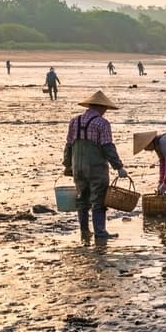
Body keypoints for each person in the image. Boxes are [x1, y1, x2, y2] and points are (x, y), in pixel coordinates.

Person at [62, 90, 129, 240]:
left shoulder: (75, 121)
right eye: (105, 108)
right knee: (98, 199)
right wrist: (119, 167)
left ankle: (84, 231)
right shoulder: (102, 123)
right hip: (96, 168)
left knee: (82, 198)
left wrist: (67, 165)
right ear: (100, 107)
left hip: (77, 166)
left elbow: (68, 145)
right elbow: (107, 147)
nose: (105, 111)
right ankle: (100, 232)